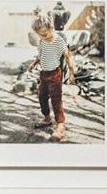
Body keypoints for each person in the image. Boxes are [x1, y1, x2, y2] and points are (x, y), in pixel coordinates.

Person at [28, 10, 76, 142]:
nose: (44, 36)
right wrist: (34, 64)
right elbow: (41, 55)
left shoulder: (58, 41)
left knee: (56, 100)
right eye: (41, 35)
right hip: (43, 74)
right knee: (42, 96)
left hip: (55, 74)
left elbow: (67, 56)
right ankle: (47, 118)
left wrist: (71, 73)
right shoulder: (42, 41)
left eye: (45, 33)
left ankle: (60, 126)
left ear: (51, 28)